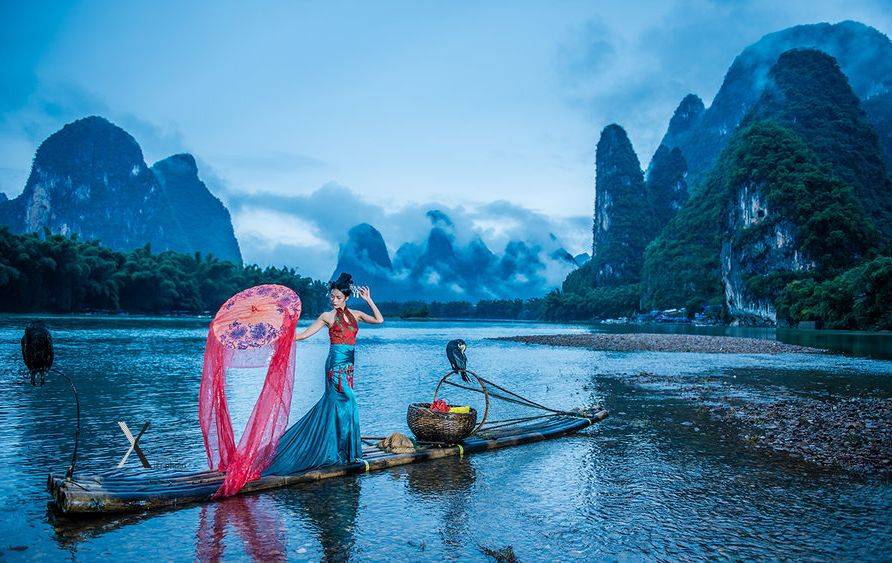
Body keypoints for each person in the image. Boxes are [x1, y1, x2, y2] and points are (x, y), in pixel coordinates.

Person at [263, 272, 383, 475]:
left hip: (349, 367)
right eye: (332, 296)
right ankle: (344, 452)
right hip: (335, 365)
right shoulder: (326, 317)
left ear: (346, 297)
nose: (333, 300)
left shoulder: (356, 315)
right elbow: (303, 335)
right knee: (350, 400)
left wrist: (368, 300)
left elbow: (379, 320)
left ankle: (343, 452)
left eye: (337, 297)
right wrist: (282, 336)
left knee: (339, 406)